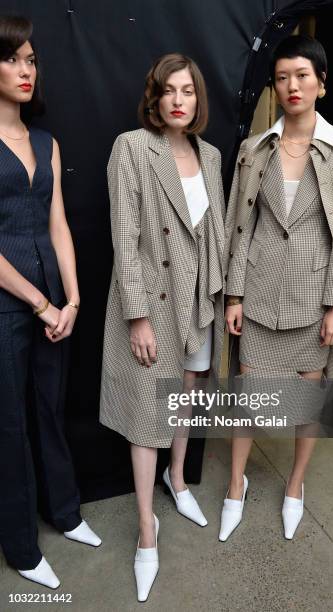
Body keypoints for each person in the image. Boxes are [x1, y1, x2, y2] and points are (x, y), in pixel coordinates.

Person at [221, 34, 333, 542]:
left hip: (316, 300)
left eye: (302, 76)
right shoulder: (253, 149)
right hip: (259, 295)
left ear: (321, 84)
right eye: (283, 77)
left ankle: (295, 486)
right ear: (275, 86)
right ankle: (236, 485)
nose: (292, 86)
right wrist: (235, 294)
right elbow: (241, 226)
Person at [100, 53, 225, 601]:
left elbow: (215, 232)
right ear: (155, 98)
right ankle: (146, 529)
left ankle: (178, 480)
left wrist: (224, 298)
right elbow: (124, 237)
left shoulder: (212, 155)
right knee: (149, 410)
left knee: (188, 395)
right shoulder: (132, 147)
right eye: (169, 90)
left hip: (198, 304)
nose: (179, 100)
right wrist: (138, 317)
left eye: (189, 91)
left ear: (198, 99)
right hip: (153, 301)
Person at [0, 15, 101, 589]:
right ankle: (20, 546)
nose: (25, 70)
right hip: (11, 308)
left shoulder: (46, 142)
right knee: (11, 425)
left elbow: (59, 224)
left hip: (56, 305)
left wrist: (75, 299)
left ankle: (64, 512)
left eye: (32, 60)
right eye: (13, 58)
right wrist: (39, 302)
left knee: (51, 411)